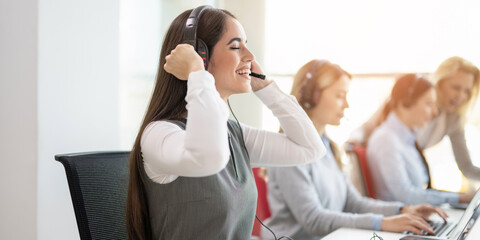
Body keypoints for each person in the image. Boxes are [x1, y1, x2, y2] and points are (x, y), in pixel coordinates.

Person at [125, 6, 326, 240]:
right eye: (235, 46)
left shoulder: (233, 134)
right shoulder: (159, 134)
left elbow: (310, 149)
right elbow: (209, 157)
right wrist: (196, 74)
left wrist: (265, 88)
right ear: (201, 55)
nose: (250, 57)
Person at [262, 60, 448, 240]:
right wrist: (383, 223)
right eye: (339, 95)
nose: (346, 104)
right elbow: (313, 219)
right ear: (313, 96)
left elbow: (353, 203)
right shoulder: (288, 149)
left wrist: (402, 210)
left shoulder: (327, 147)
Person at [357, 56, 480, 182]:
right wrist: (355, 140)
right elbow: (367, 127)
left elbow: (466, 166)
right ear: (439, 82)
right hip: (380, 167)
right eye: (455, 87)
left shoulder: (453, 120)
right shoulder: (411, 95)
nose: (460, 96)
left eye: (467, 91)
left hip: (409, 172)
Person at [367, 74, 475, 206]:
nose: (435, 112)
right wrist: (461, 198)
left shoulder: (407, 140)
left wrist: (461, 197)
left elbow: (420, 191)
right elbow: (406, 196)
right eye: (429, 104)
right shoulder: (386, 140)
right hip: (401, 220)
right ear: (406, 102)